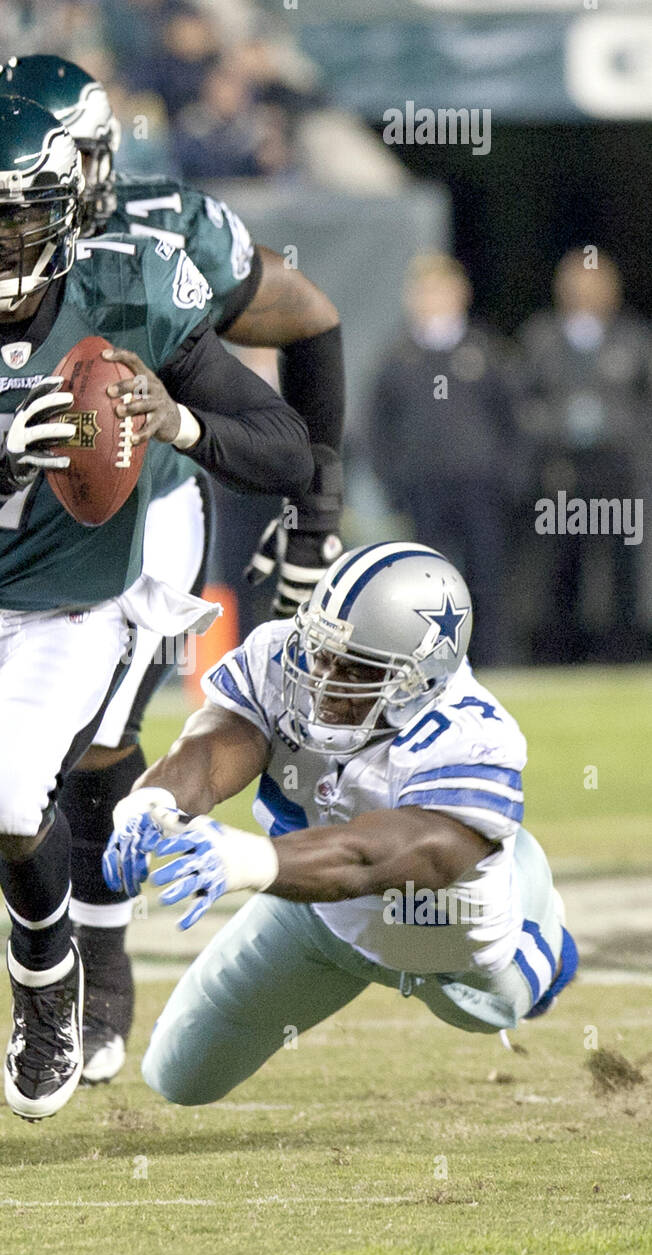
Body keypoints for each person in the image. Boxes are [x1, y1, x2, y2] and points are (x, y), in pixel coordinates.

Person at [0, 53, 345, 1088]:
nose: (6, 231)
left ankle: (100, 964)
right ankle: (35, 983)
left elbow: (307, 319)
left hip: (153, 499)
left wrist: (316, 515)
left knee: (93, 743)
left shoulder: (152, 237)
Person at [103, 542, 578, 1107]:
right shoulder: (280, 659)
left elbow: (379, 860)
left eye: (356, 667)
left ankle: (531, 897)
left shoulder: (473, 736)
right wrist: (155, 799)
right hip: (313, 915)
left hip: (450, 946)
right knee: (177, 1078)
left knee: (518, 996)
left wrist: (249, 861)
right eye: (322, 652)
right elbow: (213, 746)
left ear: (419, 678)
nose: (325, 681)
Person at [367, 255, 523, 667]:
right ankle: (431, 666)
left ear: (461, 293)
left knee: (486, 577)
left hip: (478, 486)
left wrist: (506, 475)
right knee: (427, 583)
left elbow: (513, 418)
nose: (433, 299)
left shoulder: (485, 349)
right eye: (425, 290)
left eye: (442, 289)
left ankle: (493, 663)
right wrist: (394, 484)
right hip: (423, 487)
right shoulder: (398, 356)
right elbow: (377, 429)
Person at [517, 249, 650, 663]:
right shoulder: (541, 338)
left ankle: (624, 654)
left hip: (617, 471)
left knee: (622, 567)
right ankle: (559, 654)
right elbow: (521, 402)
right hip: (563, 472)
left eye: (595, 282)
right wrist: (550, 431)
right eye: (577, 283)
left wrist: (628, 438)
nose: (586, 292)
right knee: (561, 565)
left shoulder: (633, 338)